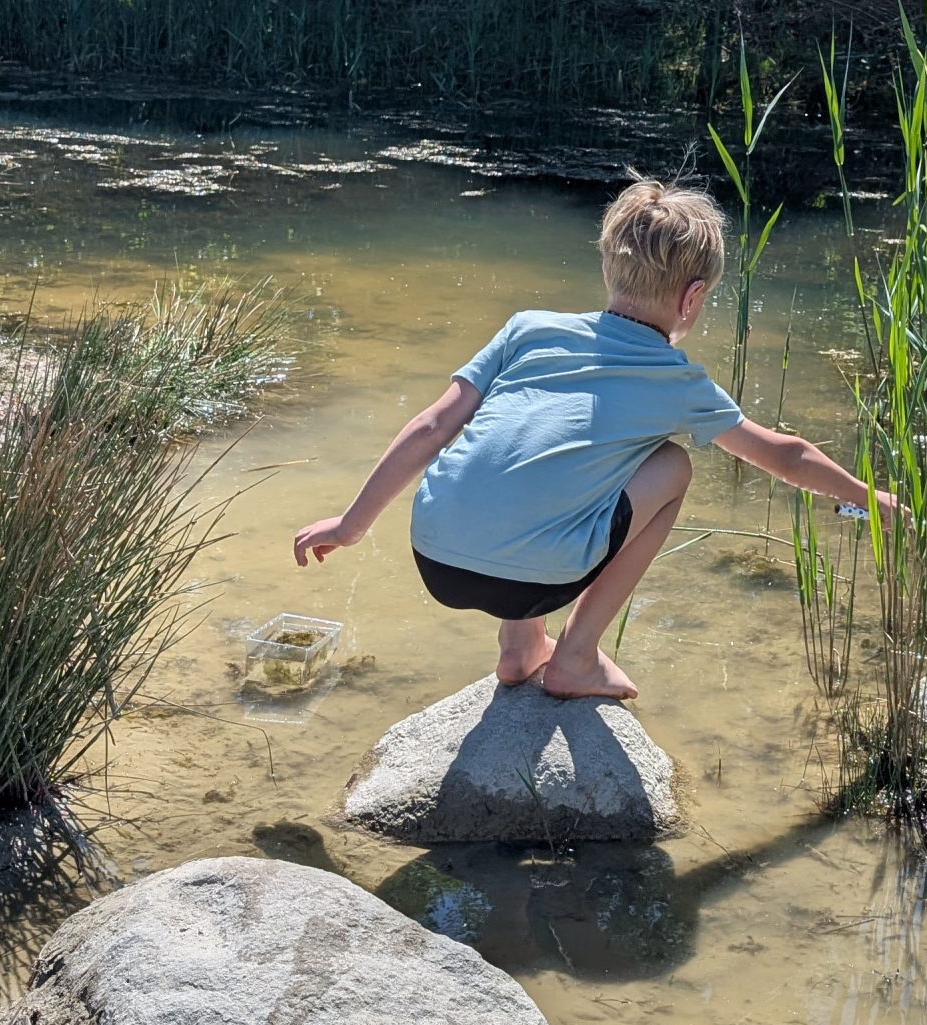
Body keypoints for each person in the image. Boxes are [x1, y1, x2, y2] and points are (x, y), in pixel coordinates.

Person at [292, 178, 896, 701]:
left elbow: (431, 426)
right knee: (673, 466)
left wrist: (350, 525)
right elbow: (787, 456)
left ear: (608, 269)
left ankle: (519, 650)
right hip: (534, 581)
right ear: (693, 298)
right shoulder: (678, 382)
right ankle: (575, 656)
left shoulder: (528, 329)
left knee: (524, 447)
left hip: (436, 559)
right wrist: (870, 498)